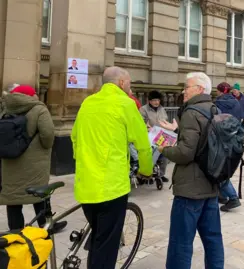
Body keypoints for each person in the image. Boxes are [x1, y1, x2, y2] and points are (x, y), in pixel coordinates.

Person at [72, 66, 153, 268]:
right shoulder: (125, 104)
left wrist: (83, 162)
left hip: (86, 185)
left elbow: (74, 138)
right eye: (130, 83)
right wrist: (146, 170)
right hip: (111, 186)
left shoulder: (87, 102)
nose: (130, 87)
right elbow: (143, 145)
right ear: (122, 83)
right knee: (107, 245)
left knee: (99, 237)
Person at [158, 72, 224, 269]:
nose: (183, 91)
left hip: (189, 189)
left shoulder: (191, 112)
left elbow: (186, 153)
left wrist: (164, 148)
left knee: (181, 242)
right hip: (211, 182)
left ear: (200, 89)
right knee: (213, 238)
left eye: (187, 87)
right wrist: (178, 131)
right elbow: (203, 141)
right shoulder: (214, 109)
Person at [0, 85, 67, 232]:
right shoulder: (39, 109)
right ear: (30, 95)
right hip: (35, 162)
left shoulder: (5, 108)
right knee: (40, 193)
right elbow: (48, 136)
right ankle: (47, 225)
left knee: (13, 199)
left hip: (10, 162)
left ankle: (16, 232)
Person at [215, 82, 242, 212]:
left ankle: (232, 197)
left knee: (219, 170)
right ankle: (223, 195)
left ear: (220, 91)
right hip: (234, 139)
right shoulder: (236, 102)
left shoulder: (217, 103)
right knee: (224, 168)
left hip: (222, 140)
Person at [139, 90, 170, 183]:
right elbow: (140, 122)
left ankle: (161, 174)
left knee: (164, 155)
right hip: (150, 136)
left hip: (161, 135)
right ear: (149, 101)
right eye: (154, 100)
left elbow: (166, 120)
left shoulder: (162, 109)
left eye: (158, 100)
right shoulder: (143, 109)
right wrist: (147, 127)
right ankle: (148, 174)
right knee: (152, 156)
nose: (156, 102)